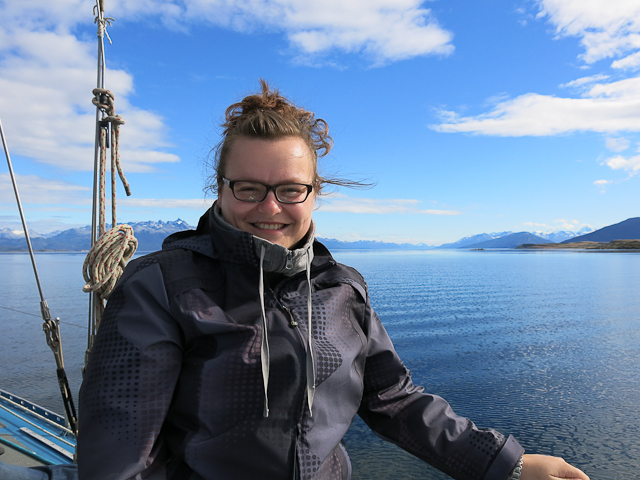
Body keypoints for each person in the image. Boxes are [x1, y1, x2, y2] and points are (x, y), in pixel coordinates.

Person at [0, 81, 590, 480]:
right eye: (248, 189)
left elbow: (394, 401)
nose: (269, 208)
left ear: (315, 192)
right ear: (221, 187)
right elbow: (119, 455)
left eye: (289, 189)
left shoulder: (341, 288)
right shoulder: (161, 287)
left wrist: (505, 464)